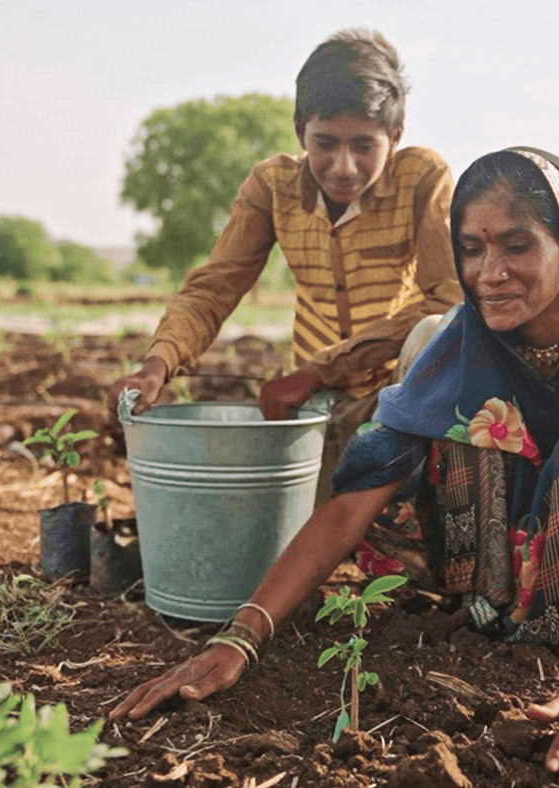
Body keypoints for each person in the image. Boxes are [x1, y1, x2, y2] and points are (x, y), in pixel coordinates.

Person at [109, 148, 559, 788]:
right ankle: (497, 613)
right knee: (454, 429)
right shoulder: (468, 339)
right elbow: (353, 505)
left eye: (517, 246)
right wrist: (240, 637)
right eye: (471, 249)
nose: (490, 273)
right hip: (522, 561)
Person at [106, 28, 463, 502]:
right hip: (314, 404)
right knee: (297, 521)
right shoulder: (273, 187)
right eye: (325, 143)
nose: (343, 166)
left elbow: (447, 297)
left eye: (363, 146)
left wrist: (321, 369)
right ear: (300, 131)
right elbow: (213, 290)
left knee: (437, 329)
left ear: (394, 138)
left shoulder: (423, 178)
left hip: (396, 394)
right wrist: (157, 364)